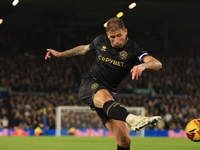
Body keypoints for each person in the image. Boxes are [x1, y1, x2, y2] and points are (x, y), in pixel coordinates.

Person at [45, 17, 162, 150]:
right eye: (113, 37)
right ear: (107, 35)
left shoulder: (134, 49)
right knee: (105, 96)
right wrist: (60, 54)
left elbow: (157, 63)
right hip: (90, 84)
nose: (117, 40)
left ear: (126, 31)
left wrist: (143, 66)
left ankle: (129, 119)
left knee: (124, 141)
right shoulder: (100, 41)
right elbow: (83, 49)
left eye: (119, 35)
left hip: (109, 95)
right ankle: (132, 119)